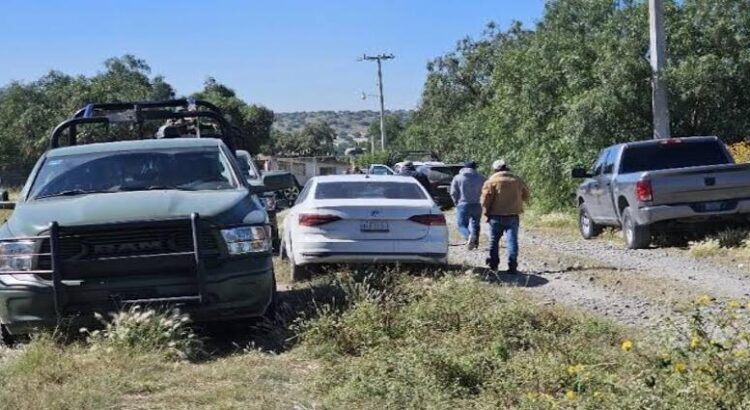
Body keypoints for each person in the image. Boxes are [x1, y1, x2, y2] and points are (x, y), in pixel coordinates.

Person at [480, 159, 530, 274]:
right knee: (512, 241)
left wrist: (486, 213)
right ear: (506, 168)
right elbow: (526, 195)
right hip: (513, 215)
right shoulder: (517, 180)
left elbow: (485, 200)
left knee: (493, 241)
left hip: (495, 216)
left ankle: (494, 265)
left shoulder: (491, 181)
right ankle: (512, 266)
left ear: (495, 169)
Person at [450, 160, 486, 250]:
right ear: (475, 168)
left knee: (462, 225)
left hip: (463, 204)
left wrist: (456, 202)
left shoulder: (458, 177)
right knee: (476, 224)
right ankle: (475, 243)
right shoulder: (481, 178)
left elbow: (453, 192)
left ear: (464, 167)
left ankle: (469, 236)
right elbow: (486, 191)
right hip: (477, 204)